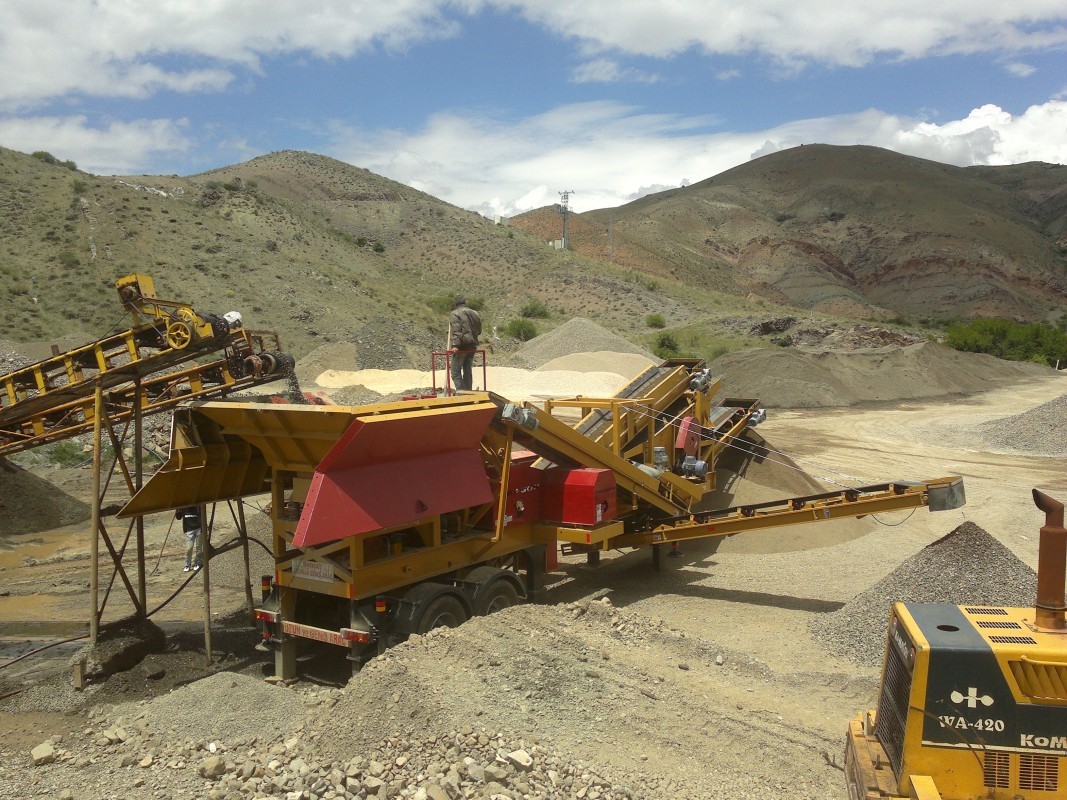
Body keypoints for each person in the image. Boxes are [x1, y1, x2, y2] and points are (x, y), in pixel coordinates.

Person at [448, 294, 482, 392]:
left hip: (462, 346)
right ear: (465, 302)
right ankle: (469, 392)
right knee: (467, 371)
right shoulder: (475, 313)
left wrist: (455, 345)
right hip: (473, 345)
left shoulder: (455, 313)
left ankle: (462, 393)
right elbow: (479, 330)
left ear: (455, 303)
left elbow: (456, 330)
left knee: (455, 372)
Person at [176, 506, 202, 572]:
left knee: (199, 547)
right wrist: (177, 510)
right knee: (189, 548)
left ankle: (198, 563)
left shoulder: (198, 506)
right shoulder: (184, 505)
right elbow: (178, 517)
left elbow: (202, 515)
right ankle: (187, 564)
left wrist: (204, 526)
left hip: (199, 528)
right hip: (189, 529)